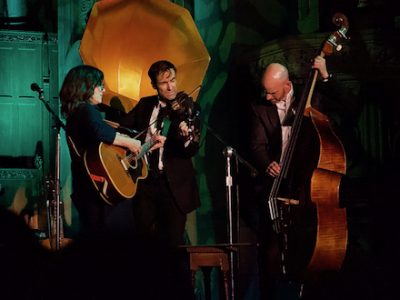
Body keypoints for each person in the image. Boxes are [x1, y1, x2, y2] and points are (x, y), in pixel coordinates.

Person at [246, 55, 358, 299]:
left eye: (272, 92)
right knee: (272, 250)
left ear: (287, 85)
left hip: (309, 184)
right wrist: (267, 164)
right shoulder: (260, 107)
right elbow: (257, 146)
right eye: (265, 92)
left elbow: (349, 104)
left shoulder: (313, 96)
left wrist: (326, 75)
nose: (267, 97)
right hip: (279, 185)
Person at [60, 64, 164, 242]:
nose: (103, 89)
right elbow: (104, 134)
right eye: (99, 85)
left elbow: (110, 158)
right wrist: (131, 142)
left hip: (91, 189)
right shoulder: (86, 110)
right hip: (100, 195)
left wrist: (145, 146)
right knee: (115, 249)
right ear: (86, 87)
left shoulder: (76, 115)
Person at [118, 60, 201, 248]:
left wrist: (176, 139)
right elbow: (124, 126)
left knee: (172, 243)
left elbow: (191, 149)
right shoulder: (145, 105)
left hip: (173, 186)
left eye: (172, 79)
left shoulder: (188, 108)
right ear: (154, 85)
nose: (171, 86)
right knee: (144, 241)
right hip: (145, 181)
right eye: (164, 83)